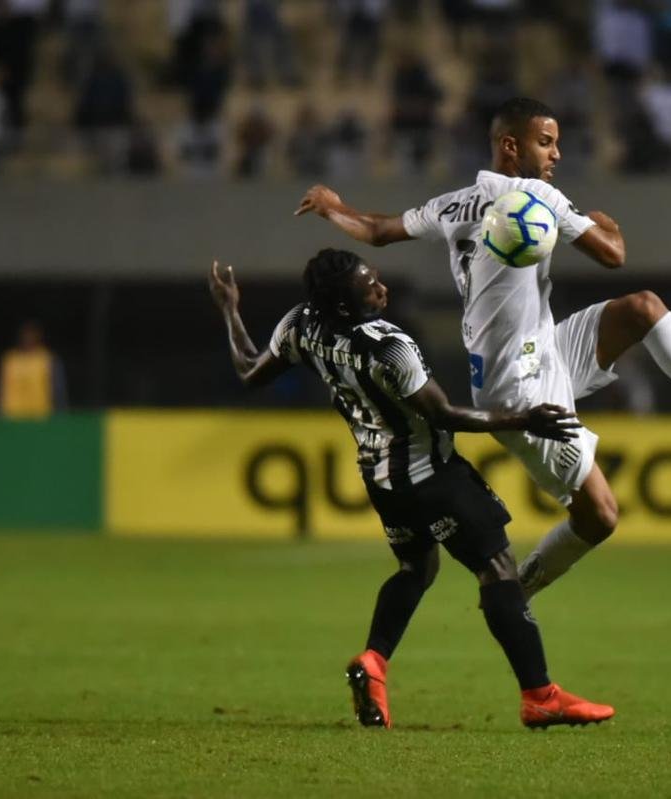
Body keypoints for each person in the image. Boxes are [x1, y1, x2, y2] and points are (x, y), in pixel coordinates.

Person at [294, 96, 671, 599]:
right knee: (600, 516)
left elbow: (379, 231)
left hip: (539, 349)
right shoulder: (538, 198)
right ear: (511, 146)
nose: (556, 154)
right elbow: (614, 254)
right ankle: (521, 586)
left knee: (643, 309)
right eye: (546, 142)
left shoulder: (455, 203)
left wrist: (334, 209)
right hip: (519, 390)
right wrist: (611, 227)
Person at [207, 248, 615, 730]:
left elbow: (250, 371)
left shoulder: (301, 324)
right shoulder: (389, 346)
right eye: (369, 287)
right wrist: (526, 418)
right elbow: (443, 415)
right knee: (497, 569)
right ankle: (540, 695)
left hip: (382, 480)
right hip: (433, 476)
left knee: (416, 568)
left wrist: (231, 310)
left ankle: (374, 662)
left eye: (376, 278)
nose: (381, 289)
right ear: (343, 305)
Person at [0, 320, 67, 419]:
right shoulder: (10, 359)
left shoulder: (47, 358)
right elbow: (1, 388)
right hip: (12, 416)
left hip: (40, 416)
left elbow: (58, 389)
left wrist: (60, 412)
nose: (28, 338)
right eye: (26, 335)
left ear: (38, 336)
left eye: (32, 335)